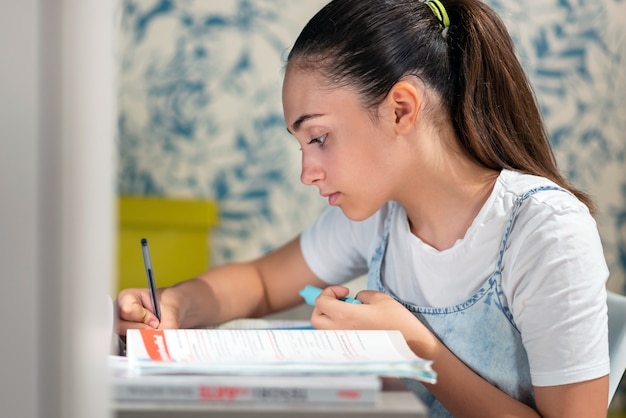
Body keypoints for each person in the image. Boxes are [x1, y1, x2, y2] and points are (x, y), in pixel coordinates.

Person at [115, 0, 610, 416]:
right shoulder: (380, 216)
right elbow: (262, 283)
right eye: (301, 144)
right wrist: (178, 304)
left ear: (401, 108)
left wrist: (413, 347)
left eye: (320, 137)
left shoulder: (546, 231)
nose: (307, 171)